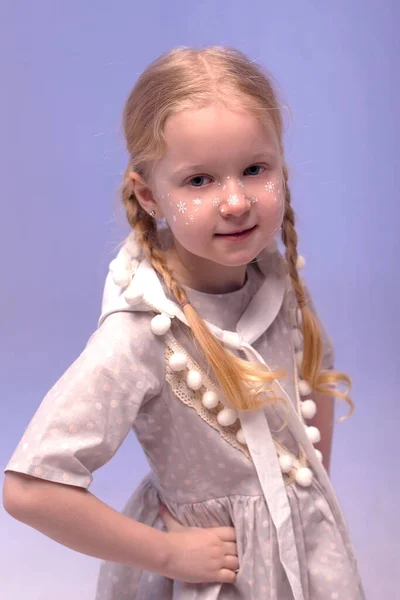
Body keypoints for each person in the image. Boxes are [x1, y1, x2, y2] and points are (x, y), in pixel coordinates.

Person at [2, 46, 365, 599]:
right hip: (218, 577)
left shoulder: (277, 279)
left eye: (254, 169)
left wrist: (306, 494)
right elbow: (29, 489)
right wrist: (171, 553)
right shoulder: (143, 334)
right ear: (150, 195)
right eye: (199, 181)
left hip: (305, 562)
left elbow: (315, 370)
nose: (237, 201)